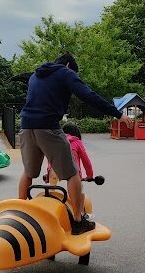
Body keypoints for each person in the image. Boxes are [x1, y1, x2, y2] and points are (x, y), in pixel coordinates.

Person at [18, 53, 132, 234]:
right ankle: (78, 222)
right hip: (48, 127)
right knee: (72, 174)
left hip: (25, 127)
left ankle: (21, 216)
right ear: (70, 65)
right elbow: (88, 95)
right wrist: (117, 113)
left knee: (29, 173)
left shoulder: (36, 74)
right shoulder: (65, 72)